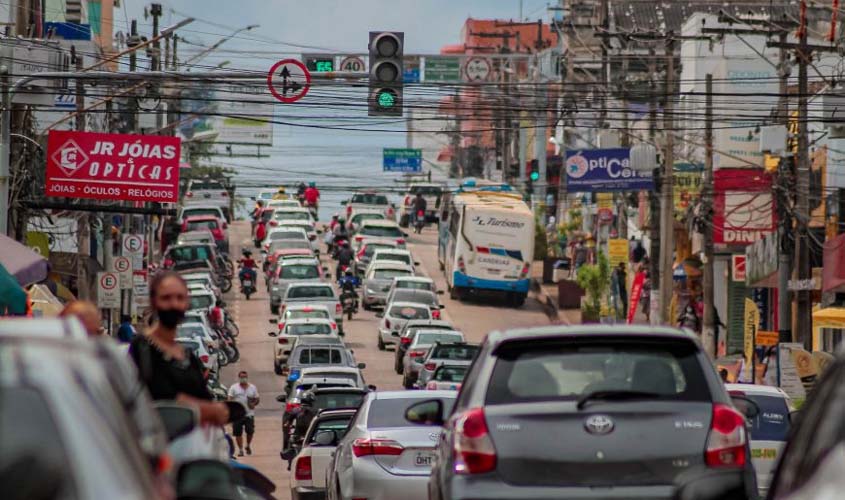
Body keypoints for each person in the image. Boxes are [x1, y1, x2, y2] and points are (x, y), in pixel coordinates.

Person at [129, 271, 229, 426]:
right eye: (166, 298)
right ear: (154, 301)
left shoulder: (188, 357)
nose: (173, 304)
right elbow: (162, 397)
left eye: (179, 298)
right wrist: (210, 410)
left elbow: (204, 397)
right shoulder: (142, 348)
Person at [228, 370, 259, 456]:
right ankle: (240, 450)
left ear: (247, 378)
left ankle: (248, 445)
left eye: (245, 377)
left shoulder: (252, 387)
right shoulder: (234, 388)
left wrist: (254, 403)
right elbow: (230, 398)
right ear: (239, 378)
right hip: (237, 415)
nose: (243, 379)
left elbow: (257, 398)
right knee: (238, 433)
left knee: (250, 431)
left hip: (249, 414)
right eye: (241, 377)